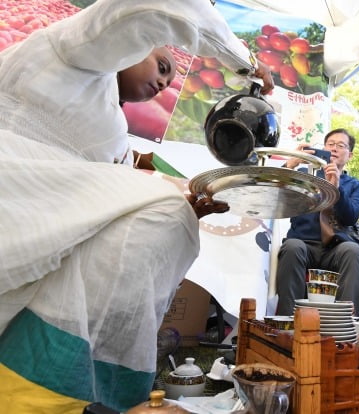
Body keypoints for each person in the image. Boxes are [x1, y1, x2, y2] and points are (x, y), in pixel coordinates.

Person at [0, 0, 274, 411]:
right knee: (165, 211)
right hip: (16, 210)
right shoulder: (65, 52)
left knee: (172, 215)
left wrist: (191, 209)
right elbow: (153, 7)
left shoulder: (113, 132)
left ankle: (66, 389)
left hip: (38, 252)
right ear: (132, 45)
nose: (165, 82)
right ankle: (33, 392)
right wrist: (246, 63)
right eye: (163, 65)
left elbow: (111, 208)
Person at [275, 129, 359, 316]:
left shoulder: (355, 185)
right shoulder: (304, 174)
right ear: (323, 148)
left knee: (353, 250)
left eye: (341, 146)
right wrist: (290, 164)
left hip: (336, 247)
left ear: (350, 155)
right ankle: (288, 322)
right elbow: (274, 193)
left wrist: (337, 187)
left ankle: (344, 323)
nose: (334, 149)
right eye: (330, 144)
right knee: (292, 247)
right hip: (303, 244)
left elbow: (351, 218)